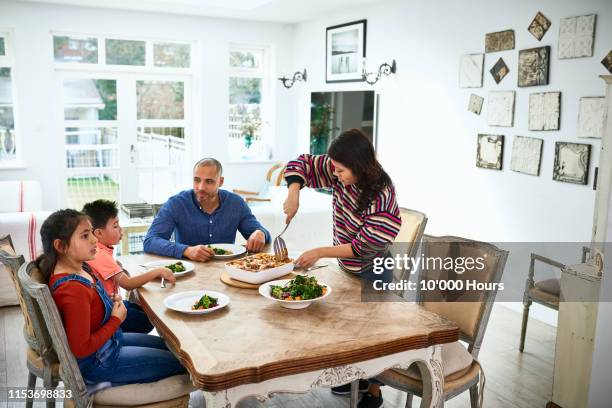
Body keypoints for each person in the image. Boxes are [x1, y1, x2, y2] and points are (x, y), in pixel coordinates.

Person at [283, 128, 402, 408]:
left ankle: (374, 392)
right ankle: (353, 377)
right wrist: (294, 193)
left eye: (340, 171)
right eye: (333, 169)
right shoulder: (339, 168)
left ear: (359, 166)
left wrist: (319, 251)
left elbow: (362, 247)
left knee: (375, 335)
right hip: (346, 267)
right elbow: (302, 164)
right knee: (347, 328)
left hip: (374, 269)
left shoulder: (383, 194)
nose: (334, 175)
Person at [36, 209, 186, 385]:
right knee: (182, 363)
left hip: (111, 342)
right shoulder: (72, 289)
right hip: (101, 361)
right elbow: (80, 349)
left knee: (178, 350)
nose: (94, 239)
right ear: (60, 246)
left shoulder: (80, 267)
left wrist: (109, 303)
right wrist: (116, 319)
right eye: (85, 236)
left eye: (92, 232)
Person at [144, 158, 271, 261]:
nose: (201, 187)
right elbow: (150, 241)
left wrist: (260, 233)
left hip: (227, 271)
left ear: (220, 182)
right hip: (189, 272)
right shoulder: (176, 203)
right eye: (197, 180)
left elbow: (261, 234)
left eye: (209, 181)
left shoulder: (236, 203)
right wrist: (186, 250)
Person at [82, 199, 176, 334]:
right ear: (99, 233)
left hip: (110, 304)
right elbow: (128, 284)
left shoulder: (100, 250)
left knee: (144, 310)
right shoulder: (99, 253)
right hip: (107, 312)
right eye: (115, 226)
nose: (121, 230)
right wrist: (157, 271)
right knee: (148, 318)